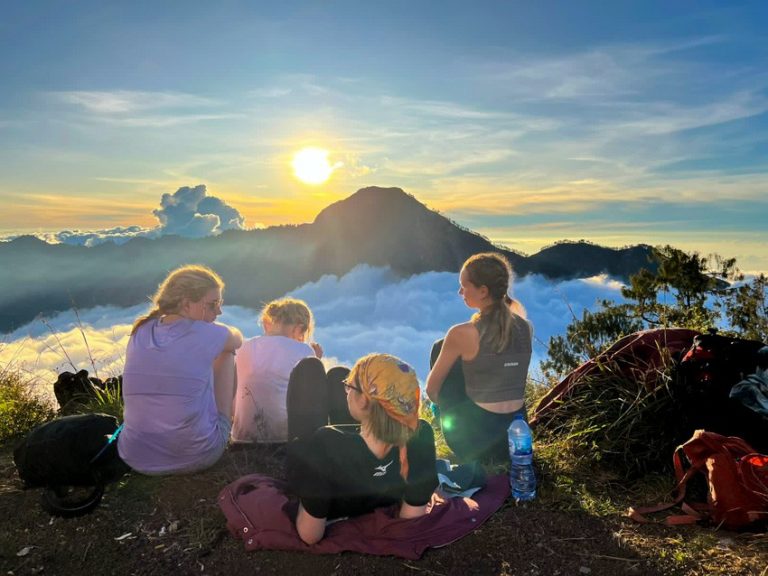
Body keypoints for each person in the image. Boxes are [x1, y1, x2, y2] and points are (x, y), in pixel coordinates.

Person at [287, 353, 438, 545]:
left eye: (349, 387)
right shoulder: (420, 435)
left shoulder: (324, 443)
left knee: (309, 368)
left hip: (320, 457)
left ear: (364, 401)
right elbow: (410, 518)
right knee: (337, 375)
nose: (346, 391)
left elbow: (309, 535)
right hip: (359, 468)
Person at [118, 264, 242, 475]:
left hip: (134, 455)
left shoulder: (141, 330)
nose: (219, 311)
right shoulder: (206, 333)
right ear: (186, 305)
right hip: (197, 455)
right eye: (213, 304)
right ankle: (229, 425)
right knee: (227, 353)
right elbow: (237, 340)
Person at [426, 252, 533, 463]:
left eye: (464, 286)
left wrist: (444, 407)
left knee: (440, 348)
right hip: (516, 440)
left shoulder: (461, 334)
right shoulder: (525, 328)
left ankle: (446, 423)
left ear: (483, 291)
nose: (460, 291)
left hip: (474, 445)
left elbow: (431, 390)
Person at [231, 298, 323, 443]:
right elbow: (310, 397)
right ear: (299, 329)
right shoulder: (303, 349)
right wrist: (315, 361)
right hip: (282, 440)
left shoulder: (244, 347)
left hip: (241, 439)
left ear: (268, 324)